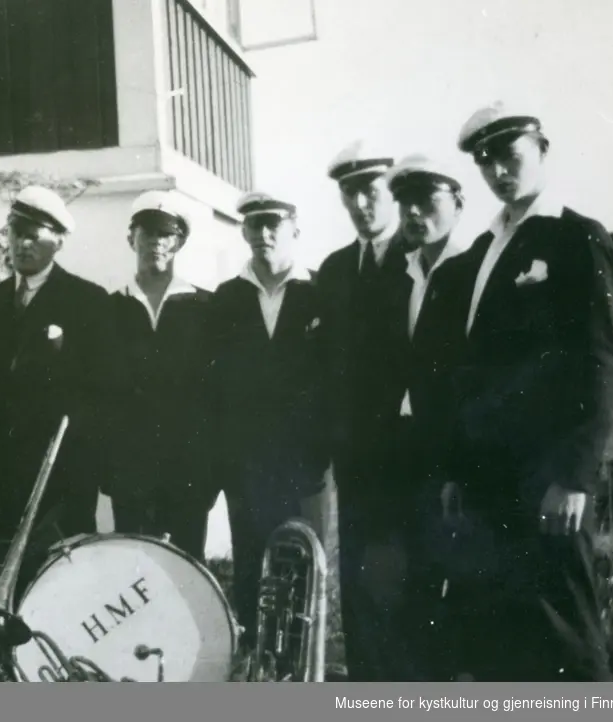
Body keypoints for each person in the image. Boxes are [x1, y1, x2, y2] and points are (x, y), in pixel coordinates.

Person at [441, 103, 613, 681]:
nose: (498, 171)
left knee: (566, 634)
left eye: (511, 155)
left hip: (548, 483)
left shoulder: (576, 237)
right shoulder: (482, 251)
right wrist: (456, 472)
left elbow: (599, 363)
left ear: (543, 149)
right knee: (500, 642)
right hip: (488, 486)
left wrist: (574, 477)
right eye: (486, 161)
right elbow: (470, 374)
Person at [0, 186, 123, 593]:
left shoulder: (89, 301)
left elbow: (105, 389)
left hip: (64, 470)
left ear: (58, 240)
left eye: (34, 235)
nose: (21, 243)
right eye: (15, 232)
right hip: (5, 466)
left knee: (66, 573)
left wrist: (83, 457)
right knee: (10, 572)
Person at [314, 140, 416, 681]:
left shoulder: (423, 259)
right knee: (359, 592)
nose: (361, 204)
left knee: (407, 593)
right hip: (355, 466)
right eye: (349, 194)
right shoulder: (332, 273)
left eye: (370, 191)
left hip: (412, 464)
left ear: (392, 193)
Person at [211, 191, 330, 653]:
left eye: (274, 224)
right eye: (255, 224)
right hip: (247, 470)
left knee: (303, 582)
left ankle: (301, 677)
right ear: (243, 231)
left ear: (294, 230)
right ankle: (259, 675)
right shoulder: (225, 298)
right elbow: (214, 388)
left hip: (307, 472)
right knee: (252, 582)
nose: (264, 233)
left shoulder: (320, 291)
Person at [381, 153, 475, 680]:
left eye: (429, 201)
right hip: (408, 452)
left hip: (453, 457)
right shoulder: (408, 273)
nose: (415, 213)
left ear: (458, 204)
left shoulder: (472, 268)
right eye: (406, 203)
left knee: (456, 592)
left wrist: (457, 467)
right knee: (415, 591)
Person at [106, 191, 218, 562]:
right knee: (133, 568)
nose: (156, 242)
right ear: (130, 238)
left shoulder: (205, 307)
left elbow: (216, 395)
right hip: (130, 470)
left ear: (179, 242)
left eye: (166, 235)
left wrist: (208, 472)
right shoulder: (110, 307)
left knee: (187, 568)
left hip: (188, 469)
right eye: (147, 232)